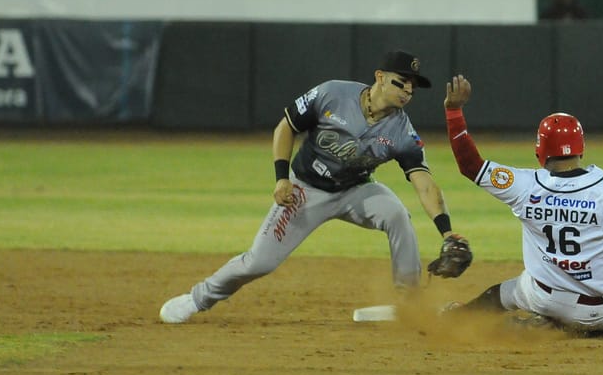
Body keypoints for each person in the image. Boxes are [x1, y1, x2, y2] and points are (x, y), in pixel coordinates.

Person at [159, 51, 464, 323]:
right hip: (305, 189)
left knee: (396, 214)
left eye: (413, 86)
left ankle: (409, 301)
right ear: (380, 78)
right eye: (402, 82)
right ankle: (197, 298)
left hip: (356, 190)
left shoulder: (402, 131)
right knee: (259, 261)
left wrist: (447, 232)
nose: (408, 90)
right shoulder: (332, 94)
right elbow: (287, 126)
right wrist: (281, 177)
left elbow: (423, 183)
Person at [439, 75, 603, 336]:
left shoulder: (525, 185)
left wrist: (454, 111)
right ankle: (573, 327)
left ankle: (466, 318)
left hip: (545, 298)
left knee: (500, 293)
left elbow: (470, 165)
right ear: (580, 148)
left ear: (540, 149)